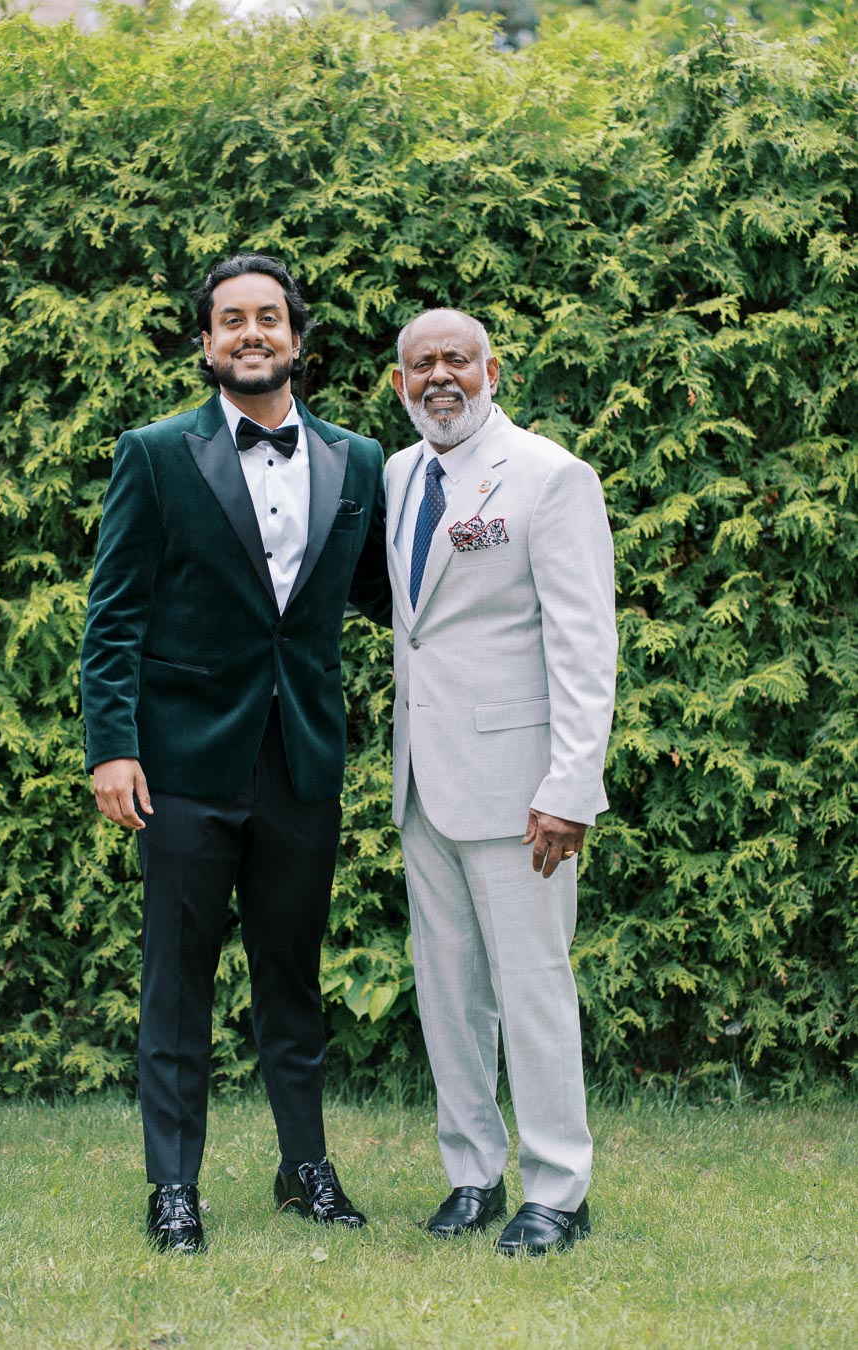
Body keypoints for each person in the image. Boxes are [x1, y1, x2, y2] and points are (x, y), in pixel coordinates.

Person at [81, 252, 390, 1252]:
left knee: (291, 979)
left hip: (302, 759)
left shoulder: (361, 461)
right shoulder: (154, 452)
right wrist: (111, 747)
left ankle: (306, 1169)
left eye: (269, 317)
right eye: (231, 320)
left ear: (297, 337)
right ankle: (174, 1190)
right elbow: (114, 615)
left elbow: (393, 598)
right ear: (206, 343)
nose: (251, 333)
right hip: (181, 766)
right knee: (178, 984)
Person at [385, 308, 617, 1256]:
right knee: (447, 992)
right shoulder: (401, 474)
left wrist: (570, 786)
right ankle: (472, 1175)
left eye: (456, 361)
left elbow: (584, 644)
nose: (440, 377)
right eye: (420, 364)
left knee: (532, 989)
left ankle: (559, 1190)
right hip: (422, 782)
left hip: (522, 789)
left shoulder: (552, 477)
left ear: (491, 371)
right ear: (398, 383)